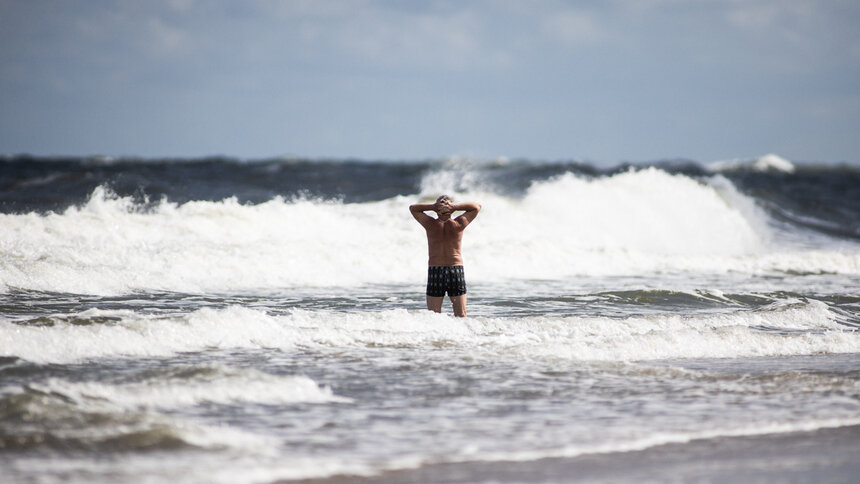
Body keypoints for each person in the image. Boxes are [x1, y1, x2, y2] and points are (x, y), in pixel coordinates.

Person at [409, 195, 481, 317]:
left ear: (451, 207)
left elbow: (476, 207)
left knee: (461, 315)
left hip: (455, 269)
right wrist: (433, 207)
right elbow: (413, 208)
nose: (443, 204)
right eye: (440, 203)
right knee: (433, 315)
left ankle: (462, 336)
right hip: (435, 270)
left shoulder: (459, 222)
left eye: (446, 203)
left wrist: (455, 207)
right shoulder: (430, 223)